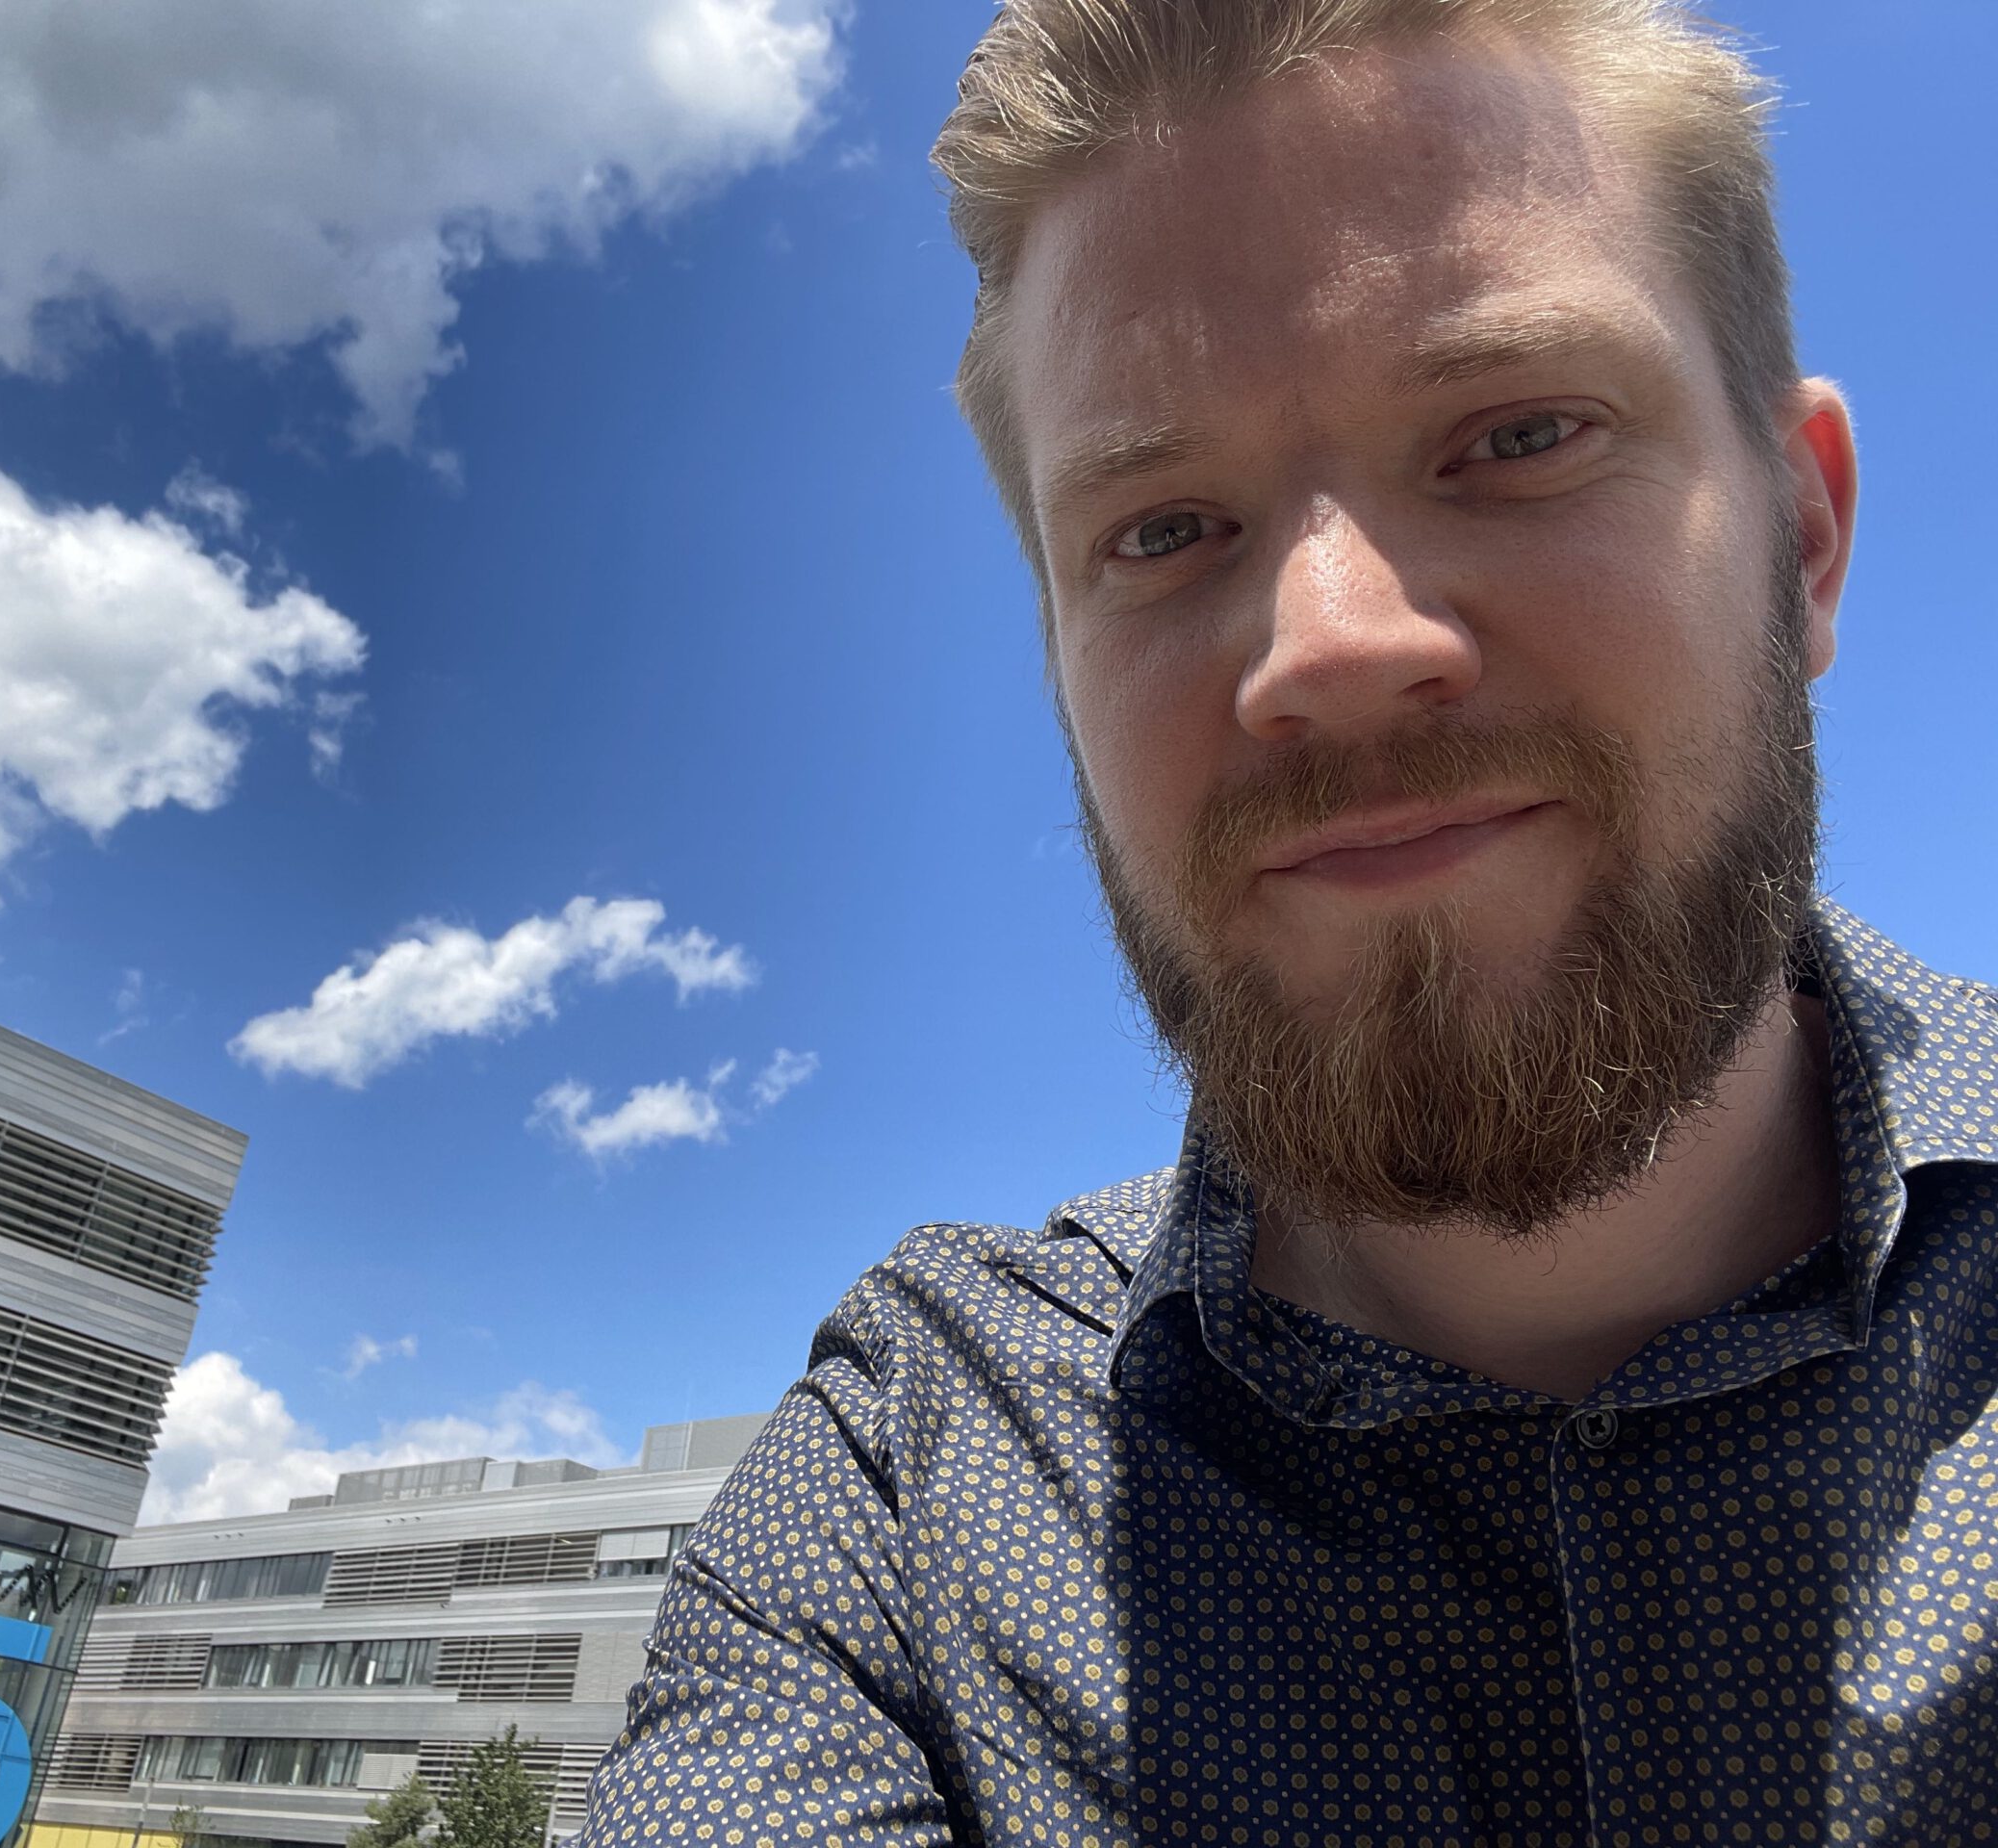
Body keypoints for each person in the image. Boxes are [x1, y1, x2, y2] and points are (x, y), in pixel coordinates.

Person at [584, 2, 1998, 1841]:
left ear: (1803, 534)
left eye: (1518, 430)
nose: (1329, 646)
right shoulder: (913, 1486)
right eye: (1165, 531)